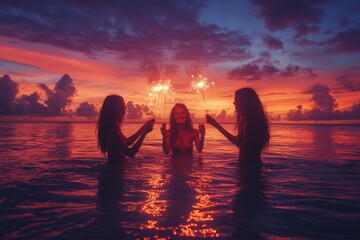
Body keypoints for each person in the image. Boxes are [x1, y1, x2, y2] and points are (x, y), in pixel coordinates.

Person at [206, 88, 270, 167]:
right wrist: (215, 124)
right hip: (253, 168)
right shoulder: (254, 122)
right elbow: (239, 142)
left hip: (249, 169)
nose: (234, 103)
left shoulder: (250, 125)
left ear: (244, 102)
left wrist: (215, 125)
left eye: (236, 100)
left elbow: (244, 149)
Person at [97, 95, 155, 163]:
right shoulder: (113, 133)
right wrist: (144, 134)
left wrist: (144, 127)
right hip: (115, 171)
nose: (125, 106)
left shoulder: (115, 129)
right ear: (117, 108)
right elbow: (130, 153)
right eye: (123, 104)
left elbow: (128, 142)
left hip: (116, 170)